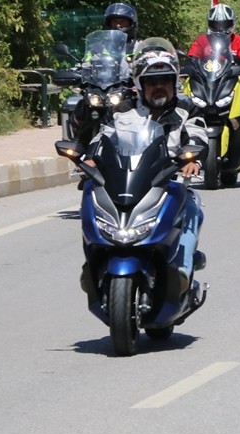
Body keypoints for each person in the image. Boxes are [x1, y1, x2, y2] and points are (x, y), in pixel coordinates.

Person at [87, 41, 207, 291]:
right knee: (91, 200)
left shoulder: (186, 109)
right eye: (152, 81)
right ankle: (93, 265)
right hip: (128, 181)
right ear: (141, 84)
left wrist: (192, 159)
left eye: (165, 79)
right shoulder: (122, 110)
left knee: (193, 210)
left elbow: (198, 134)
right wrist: (91, 157)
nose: (159, 86)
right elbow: (102, 137)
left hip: (170, 183)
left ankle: (181, 271)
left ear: (174, 82)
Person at [187, 3, 240, 153]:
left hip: (232, 80)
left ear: (231, 24)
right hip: (209, 81)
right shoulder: (202, 41)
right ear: (210, 24)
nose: (220, 28)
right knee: (186, 98)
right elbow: (192, 58)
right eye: (216, 24)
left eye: (224, 24)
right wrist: (187, 67)